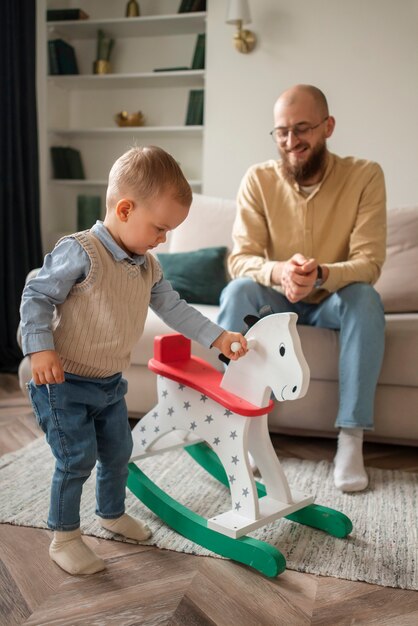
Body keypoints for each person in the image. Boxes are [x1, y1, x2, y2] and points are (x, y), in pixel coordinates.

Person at [20, 145, 247, 576]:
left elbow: (175, 309)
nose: (163, 239)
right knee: (76, 458)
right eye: (159, 228)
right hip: (62, 383)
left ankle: (111, 513)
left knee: (119, 451)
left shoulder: (148, 266)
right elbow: (37, 294)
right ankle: (64, 536)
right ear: (124, 209)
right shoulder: (80, 251)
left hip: (108, 384)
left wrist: (217, 336)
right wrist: (40, 346)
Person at [217, 84, 386, 493]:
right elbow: (241, 258)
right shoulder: (258, 180)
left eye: (302, 128)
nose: (292, 141)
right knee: (237, 291)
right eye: (282, 131)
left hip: (334, 300)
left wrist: (322, 273)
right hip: (275, 300)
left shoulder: (365, 175)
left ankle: (350, 438)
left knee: (366, 297)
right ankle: (238, 426)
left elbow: (369, 262)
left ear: (328, 126)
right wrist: (279, 273)